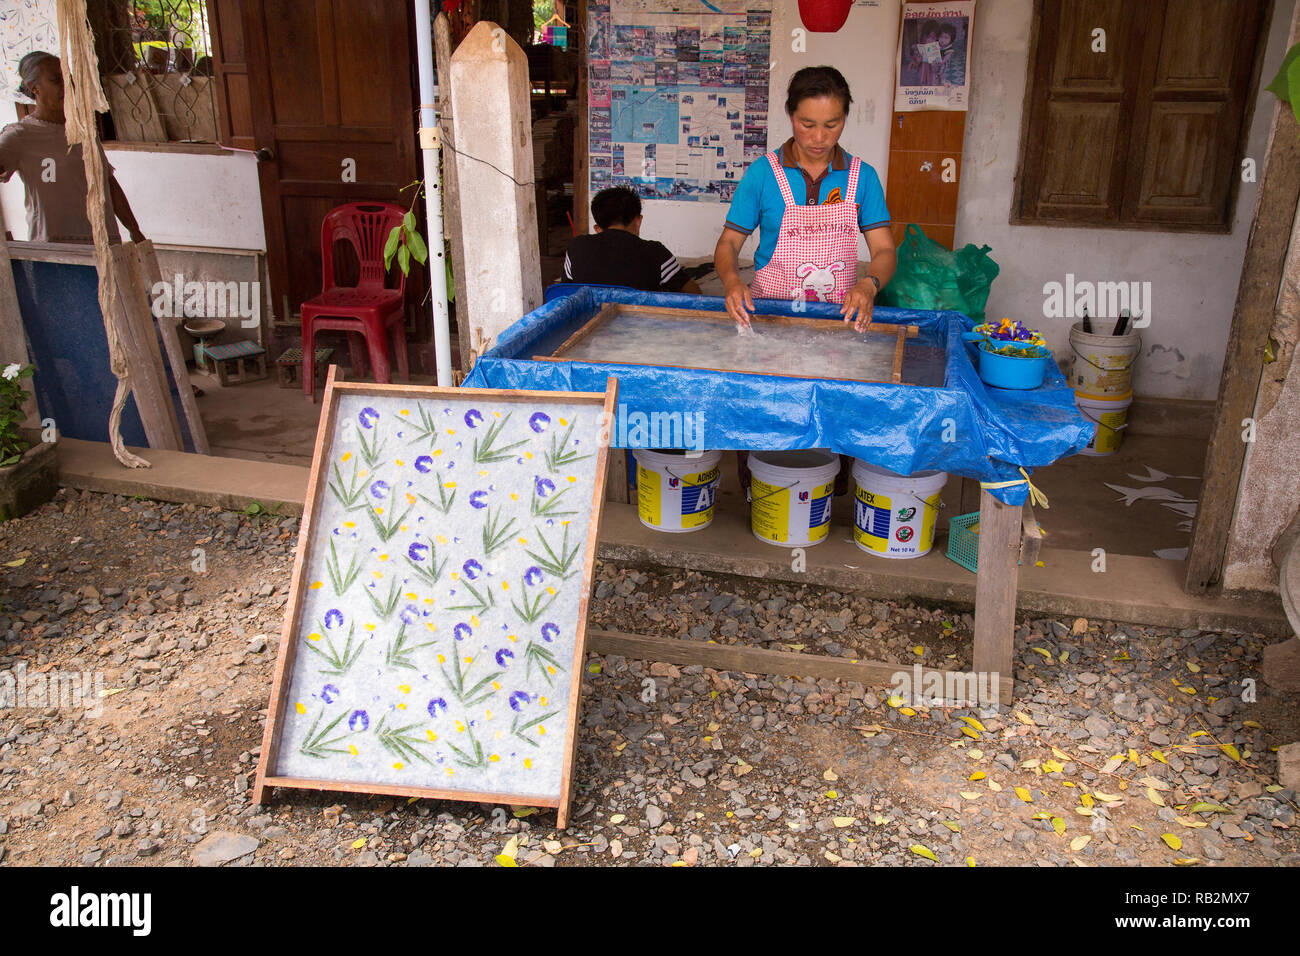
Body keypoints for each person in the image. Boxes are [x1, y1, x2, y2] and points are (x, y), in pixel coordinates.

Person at [714, 65, 895, 331]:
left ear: (845, 117)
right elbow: (729, 242)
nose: (819, 137)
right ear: (790, 114)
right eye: (807, 124)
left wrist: (870, 285)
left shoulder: (863, 177)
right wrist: (731, 281)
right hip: (769, 316)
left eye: (832, 125)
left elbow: (884, 250)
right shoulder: (763, 173)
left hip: (838, 320)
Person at [0, 51, 144, 244]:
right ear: (34, 88)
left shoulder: (84, 131)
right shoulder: (20, 135)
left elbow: (107, 182)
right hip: (57, 249)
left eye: (69, 78)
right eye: (57, 80)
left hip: (102, 242)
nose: (67, 86)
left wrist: (134, 230)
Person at [563, 186, 702, 294]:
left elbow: (564, 293)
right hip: (640, 327)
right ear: (638, 221)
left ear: (597, 228)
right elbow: (693, 293)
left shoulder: (576, 247)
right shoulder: (655, 253)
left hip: (587, 325)